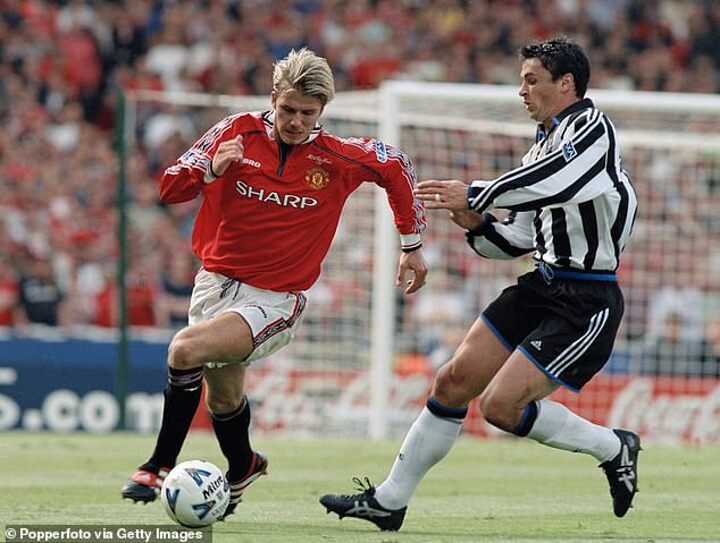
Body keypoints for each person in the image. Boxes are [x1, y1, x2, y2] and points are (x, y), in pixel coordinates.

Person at [320, 37, 640, 531]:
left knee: (500, 407)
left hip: (586, 299)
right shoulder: (540, 146)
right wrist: (476, 223)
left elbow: (561, 179)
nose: (521, 91)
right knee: (453, 381)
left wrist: (475, 192)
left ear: (566, 84)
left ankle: (613, 447)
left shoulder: (592, 129)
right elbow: (513, 242)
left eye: (531, 80)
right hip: (541, 284)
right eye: (521, 81)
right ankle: (389, 501)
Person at [121, 48, 428, 519]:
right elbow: (169, 187)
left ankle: (157, 466)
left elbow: (397, 165)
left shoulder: (337, 156)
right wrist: (212, 169)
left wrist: (411, 244)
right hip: (214, 285)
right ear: (272, 99)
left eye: (307, 113)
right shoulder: (236, 132)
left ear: (322, 110)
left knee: (184, 350)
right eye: (288, 110)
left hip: (274, 301)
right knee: (224, 397)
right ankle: (243, 464)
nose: (296, 122)